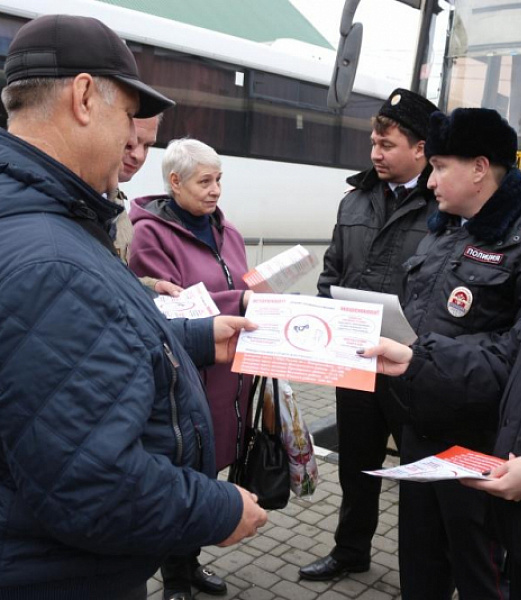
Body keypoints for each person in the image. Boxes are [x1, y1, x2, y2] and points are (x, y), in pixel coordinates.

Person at [0, 14, 267, 599]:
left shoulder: (44, 219)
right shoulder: (52, 258)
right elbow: (90, 482)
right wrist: (217, 508)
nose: (132, 143)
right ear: (85, 96)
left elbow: (70, 356)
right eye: (128, 117)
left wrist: (195, 338)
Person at [359, 116, 521, 600]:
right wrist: (416, 361)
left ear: (479, 169)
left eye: (440, 167)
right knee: (420, 563)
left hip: (483, 441)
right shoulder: (444, 229)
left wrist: (423, 359)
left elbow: (518, 358)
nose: (429, 182)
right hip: (424, 421)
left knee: (480, 572)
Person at [299, 88, 439, 581]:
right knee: (356, 466)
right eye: (373, 143)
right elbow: (332, 271)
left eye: (388, 144)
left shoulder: (443, 205)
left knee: (419, 474)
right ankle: (350, 551)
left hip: (410, 367)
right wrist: (328, 318)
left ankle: (422, 573)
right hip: (356, 360)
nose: (376, 153)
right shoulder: (355, 199)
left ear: (421, 149)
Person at [128, 138, 253, 599]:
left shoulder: (229, 231)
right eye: (205, 181)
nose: (216, 190)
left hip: (225, 377)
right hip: (184, 378)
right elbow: (165, 306)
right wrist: (238, 300)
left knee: (207, 472)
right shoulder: (150, 235)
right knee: (179, 474)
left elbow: (241, 280)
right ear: (174, 181)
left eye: (219, 179)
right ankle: (174, 579)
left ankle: (190, 563)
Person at [110, 114, 182, 296]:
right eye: (129, 144)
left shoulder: (114, 197)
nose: (139, 156)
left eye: (148, 145)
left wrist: (151, 286)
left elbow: (111, 278)